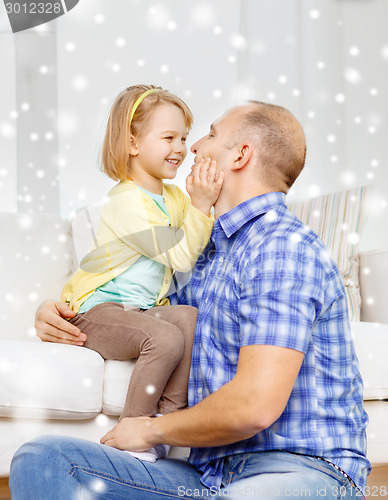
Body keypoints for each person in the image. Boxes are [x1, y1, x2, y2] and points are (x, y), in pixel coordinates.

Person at [10, 100, 371, 499]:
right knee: (45, 460)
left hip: (300, 470)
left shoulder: (281, 246)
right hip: (208, 477)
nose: (194, 146)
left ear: (240, 155)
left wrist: (149, 429)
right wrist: (59, 310)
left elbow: (255, 404)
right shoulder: (205, 255)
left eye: (210, 134)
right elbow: (143, 313)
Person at [45, 84, 223, 462]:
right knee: (165, 339)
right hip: (97, 311)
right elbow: (179, 255)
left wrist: (201, 198)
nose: (180, 148)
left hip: (140, 309)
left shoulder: (174, 197)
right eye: (169, 137)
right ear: (132, 143)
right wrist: (201, 205)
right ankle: (133, 428)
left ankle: (167, 422)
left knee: (188, 319)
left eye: (184, 138)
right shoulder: (124, 201)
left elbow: (198, 233)